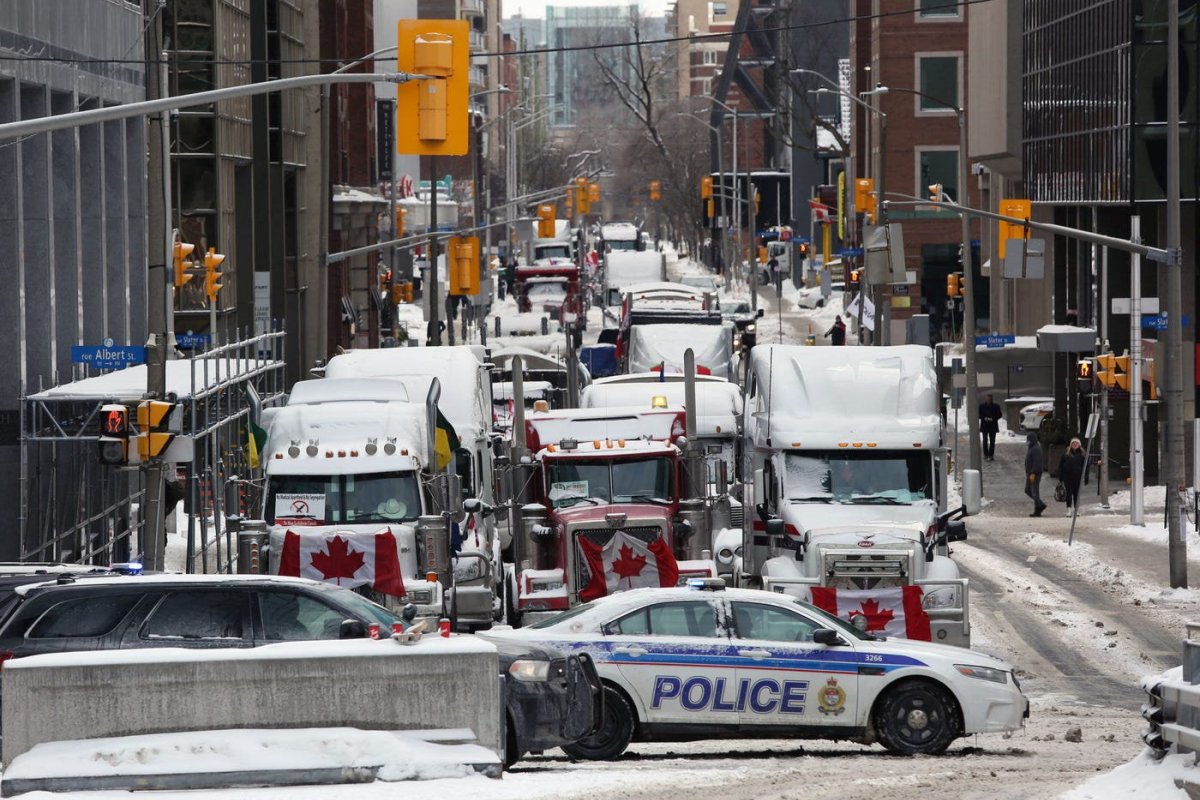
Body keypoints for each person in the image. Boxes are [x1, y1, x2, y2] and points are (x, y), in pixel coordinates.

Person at [1060, 437, 1087, 514]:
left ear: (1079, 445)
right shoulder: (1066, 454)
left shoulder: (1082, 455)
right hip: (1067, 477)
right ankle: (1069, 509)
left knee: (1076, 493)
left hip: (1078, 477)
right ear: (1071, 445)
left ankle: (1076, 509)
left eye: (1077, 443)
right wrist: (1061, 477)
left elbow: (1086, 466)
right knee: (1069, 493)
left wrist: (1085, 477)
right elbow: (1061, 465)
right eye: (1073, 443)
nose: (1075, 445)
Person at [1024, 433, 1046, 517]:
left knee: (1034, 491)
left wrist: (1033, 472)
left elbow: (1037, 462)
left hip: (1034, 474)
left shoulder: (1036, 448)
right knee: (1028, 490)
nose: (1027, 441)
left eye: (1029, 440)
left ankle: (1038, 508)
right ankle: (1040, 504)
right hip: (1030, 473)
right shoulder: (1032, 448)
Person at [979, 394, 1003, 462]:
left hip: (993, 426)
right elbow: (979, 414)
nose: (988, 400)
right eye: (987, 399)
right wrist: (984, 418)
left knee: (992, 441)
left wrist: (993, 418)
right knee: (985, 440)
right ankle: (985, 454)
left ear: (991, 399)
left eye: (989, 399)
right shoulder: (982, 406)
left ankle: (991, 455)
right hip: (985, 425)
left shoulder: (996, 406)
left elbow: (999, 414)